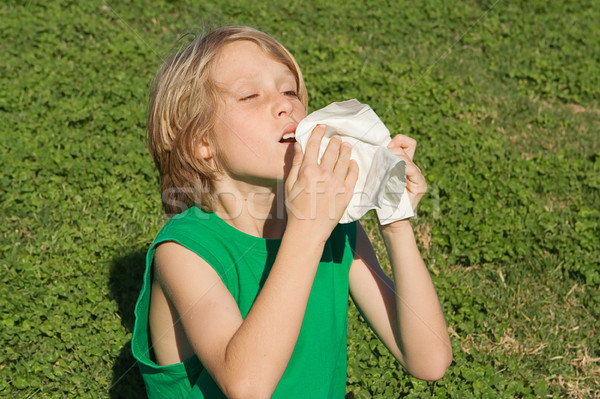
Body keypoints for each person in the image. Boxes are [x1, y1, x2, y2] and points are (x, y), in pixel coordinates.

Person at [131, 26, 452, 399]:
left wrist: (395, 220)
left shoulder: (333, 228)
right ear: (202, 142)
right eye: (250, 95)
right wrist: (308, 229)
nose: (286, 105)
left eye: (289, 91)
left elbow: (428, 361)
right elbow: (247, 387)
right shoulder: (186, 251)